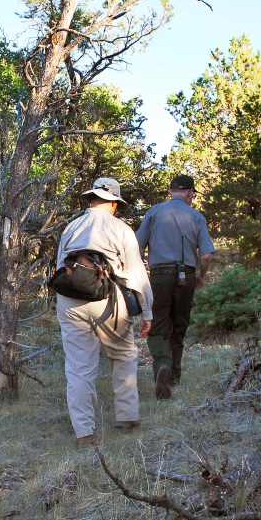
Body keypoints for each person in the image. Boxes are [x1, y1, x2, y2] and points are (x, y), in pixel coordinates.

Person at [55, 177, 152, 445]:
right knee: (122, 354)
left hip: (70, 300)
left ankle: (84, 432)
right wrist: (147, 311)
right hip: (109, 298)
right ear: (113, 203)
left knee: (78, 368)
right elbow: (136, 274)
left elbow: (61, 265)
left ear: (92, 199)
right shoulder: (120, 228)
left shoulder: (71, 227)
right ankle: (127, 416)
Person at [136, 174, 215, 400]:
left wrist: (141, 275)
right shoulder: (197, 217)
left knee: (159, 324)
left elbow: (138, 248)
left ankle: (162, 364)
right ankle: (173, 376)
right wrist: (200, 277)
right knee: (179, 326)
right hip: (186, 277)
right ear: (190, 193)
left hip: (160, 276)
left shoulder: (153, 213)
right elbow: (207, 255)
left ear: (170, 192)